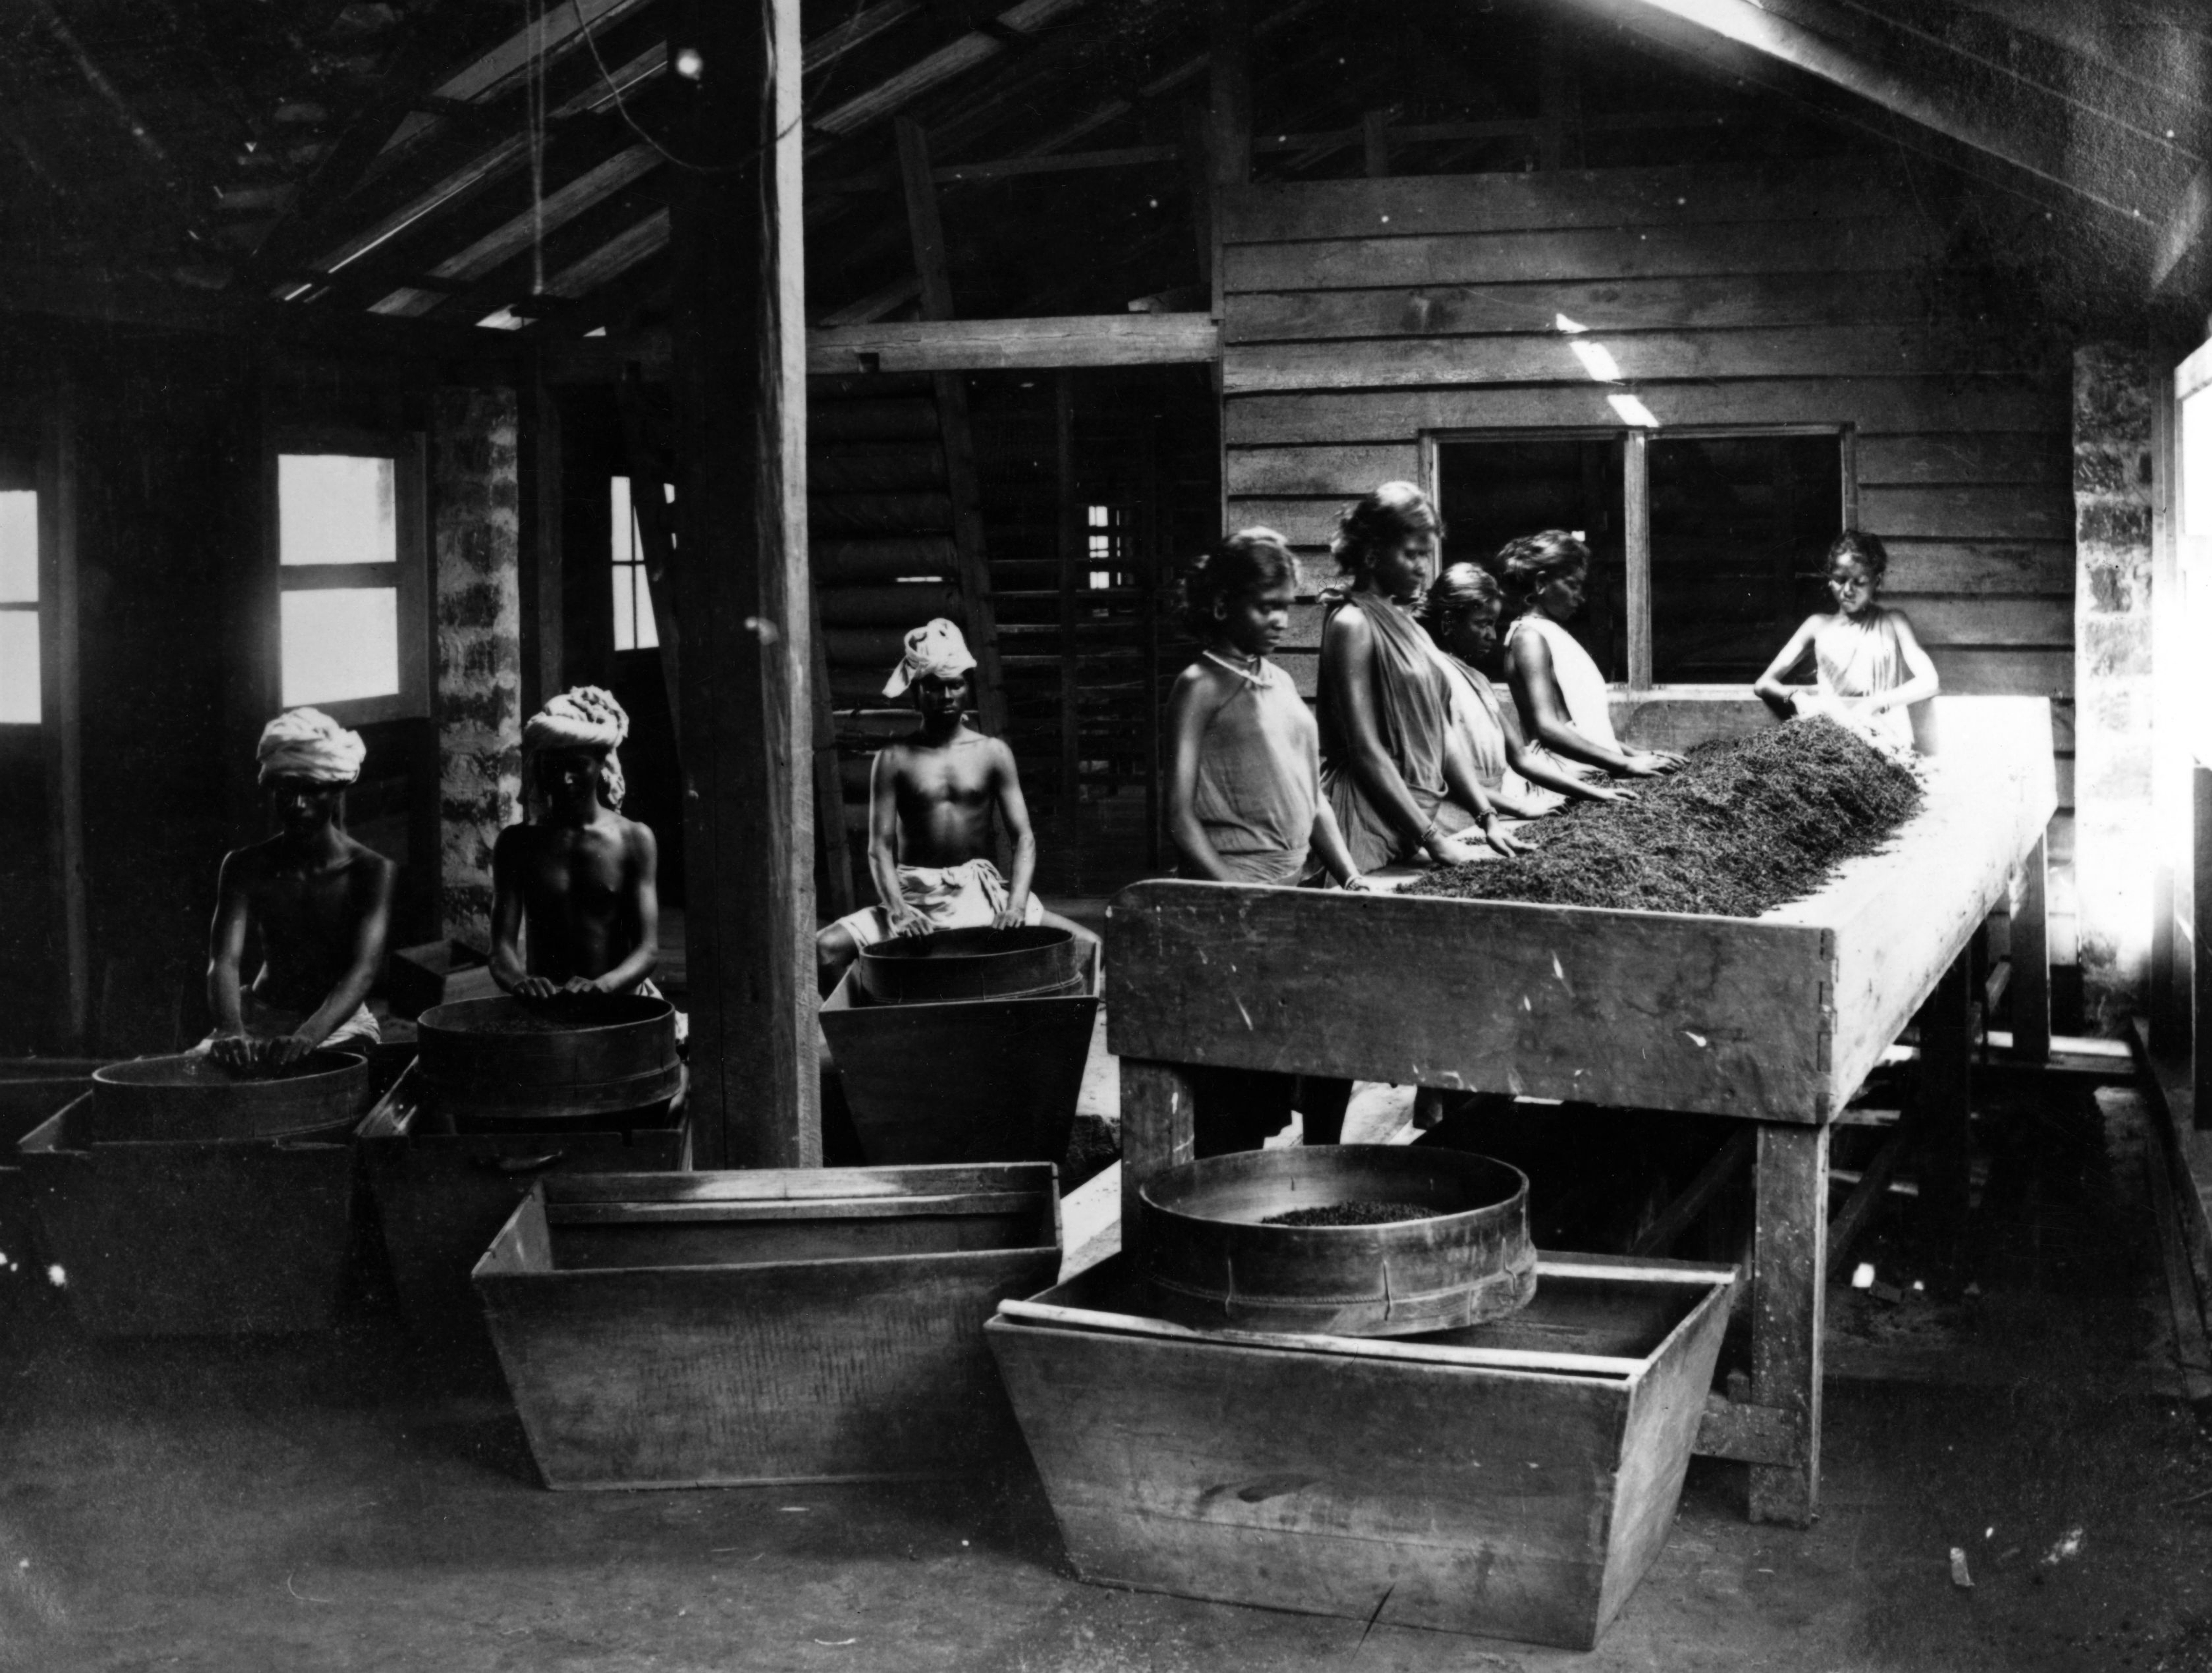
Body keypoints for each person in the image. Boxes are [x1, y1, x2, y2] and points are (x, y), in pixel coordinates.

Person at [815, 618, 1097, 997]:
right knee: (826, 948)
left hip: (980, 893)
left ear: (967, 688)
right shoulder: (894, 758)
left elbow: (1024, 837)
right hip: (915, 895)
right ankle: (877, 1040)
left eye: (955, 684)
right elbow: (879, 846)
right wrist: (898, 909)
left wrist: (1014, 906)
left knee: (1090, 948)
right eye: (933, 686)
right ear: (915, 693)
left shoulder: (992, 752)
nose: (946, 695)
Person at [1318, 482, 1525, 875]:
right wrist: (1434, 839)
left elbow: (1442, 733)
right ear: (1372, 553)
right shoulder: (1351, 622)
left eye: (1425, 556)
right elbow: (1364, 750)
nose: (1421, 568)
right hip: (1365, 821)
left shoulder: (1408, 625)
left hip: (1413, 823)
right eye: (1411, 555)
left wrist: (1487, 817)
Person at [1164, 528, 1373, 889]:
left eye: (1286, 607)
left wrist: (1352, 878)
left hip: (1290, 886)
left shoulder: (1281, 681)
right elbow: (1179, 818)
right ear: (1222, 605)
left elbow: (1312, 799)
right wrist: (1241, 896)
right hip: (1229, 891)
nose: (1283, 621)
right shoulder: (1200, 686)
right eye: (1267, 607)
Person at [201, 708, 395, 1067]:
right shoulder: (244, 865)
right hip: (257, 1017)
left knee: (308, 1087)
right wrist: (230, 1029)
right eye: (286, 791)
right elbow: (224, 961)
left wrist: (307, 1036)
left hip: (336, 1023)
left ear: (337, 789)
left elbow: (363, 970)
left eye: (313, 790)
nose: (298, 804)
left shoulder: (372, 870)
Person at [491, 686, 666, 1013]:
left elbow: (648, 950)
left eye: (578, 765)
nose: (565, 779)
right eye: (553, 766)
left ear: (602, 763)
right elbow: (501, 949)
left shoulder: (634, 839)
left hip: (620, 1003)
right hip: (548, 1006)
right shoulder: (517, 843)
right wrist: (520, 981)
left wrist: (604, 986)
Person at [1420, 562, 1633, 819]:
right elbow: (1444, 774)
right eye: (1483, 624)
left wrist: (1595, 793)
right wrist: (1520, 808)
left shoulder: (1477, 679)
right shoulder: (1430, 675)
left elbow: (1521, 758)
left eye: (1494, 625)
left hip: (1489, 811)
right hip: (1450, 816)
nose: (1491, 636)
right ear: (1448, 623)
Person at [1501, 529, 1684, 780]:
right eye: (1573, 585)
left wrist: (1638, 754)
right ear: (1541, 584)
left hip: (1581, 770)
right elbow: (1549, 729)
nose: (1581, 597)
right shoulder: (1529, 638)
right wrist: (1627, 765)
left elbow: (1584, 732)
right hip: (1558, 779)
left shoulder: (1551, 634)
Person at [1753, 529, 1938, 750]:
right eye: (1840, 580)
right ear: (1830, 579)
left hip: (1884, 739)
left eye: (1859, 582)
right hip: (1831, 740)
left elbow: (1930, 681)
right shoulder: (1818, 625)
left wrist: (1877, 703)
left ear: (1876, 582)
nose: (1848, 591)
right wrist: (1797, 697)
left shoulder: (1894, 622)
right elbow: (1764, 684)